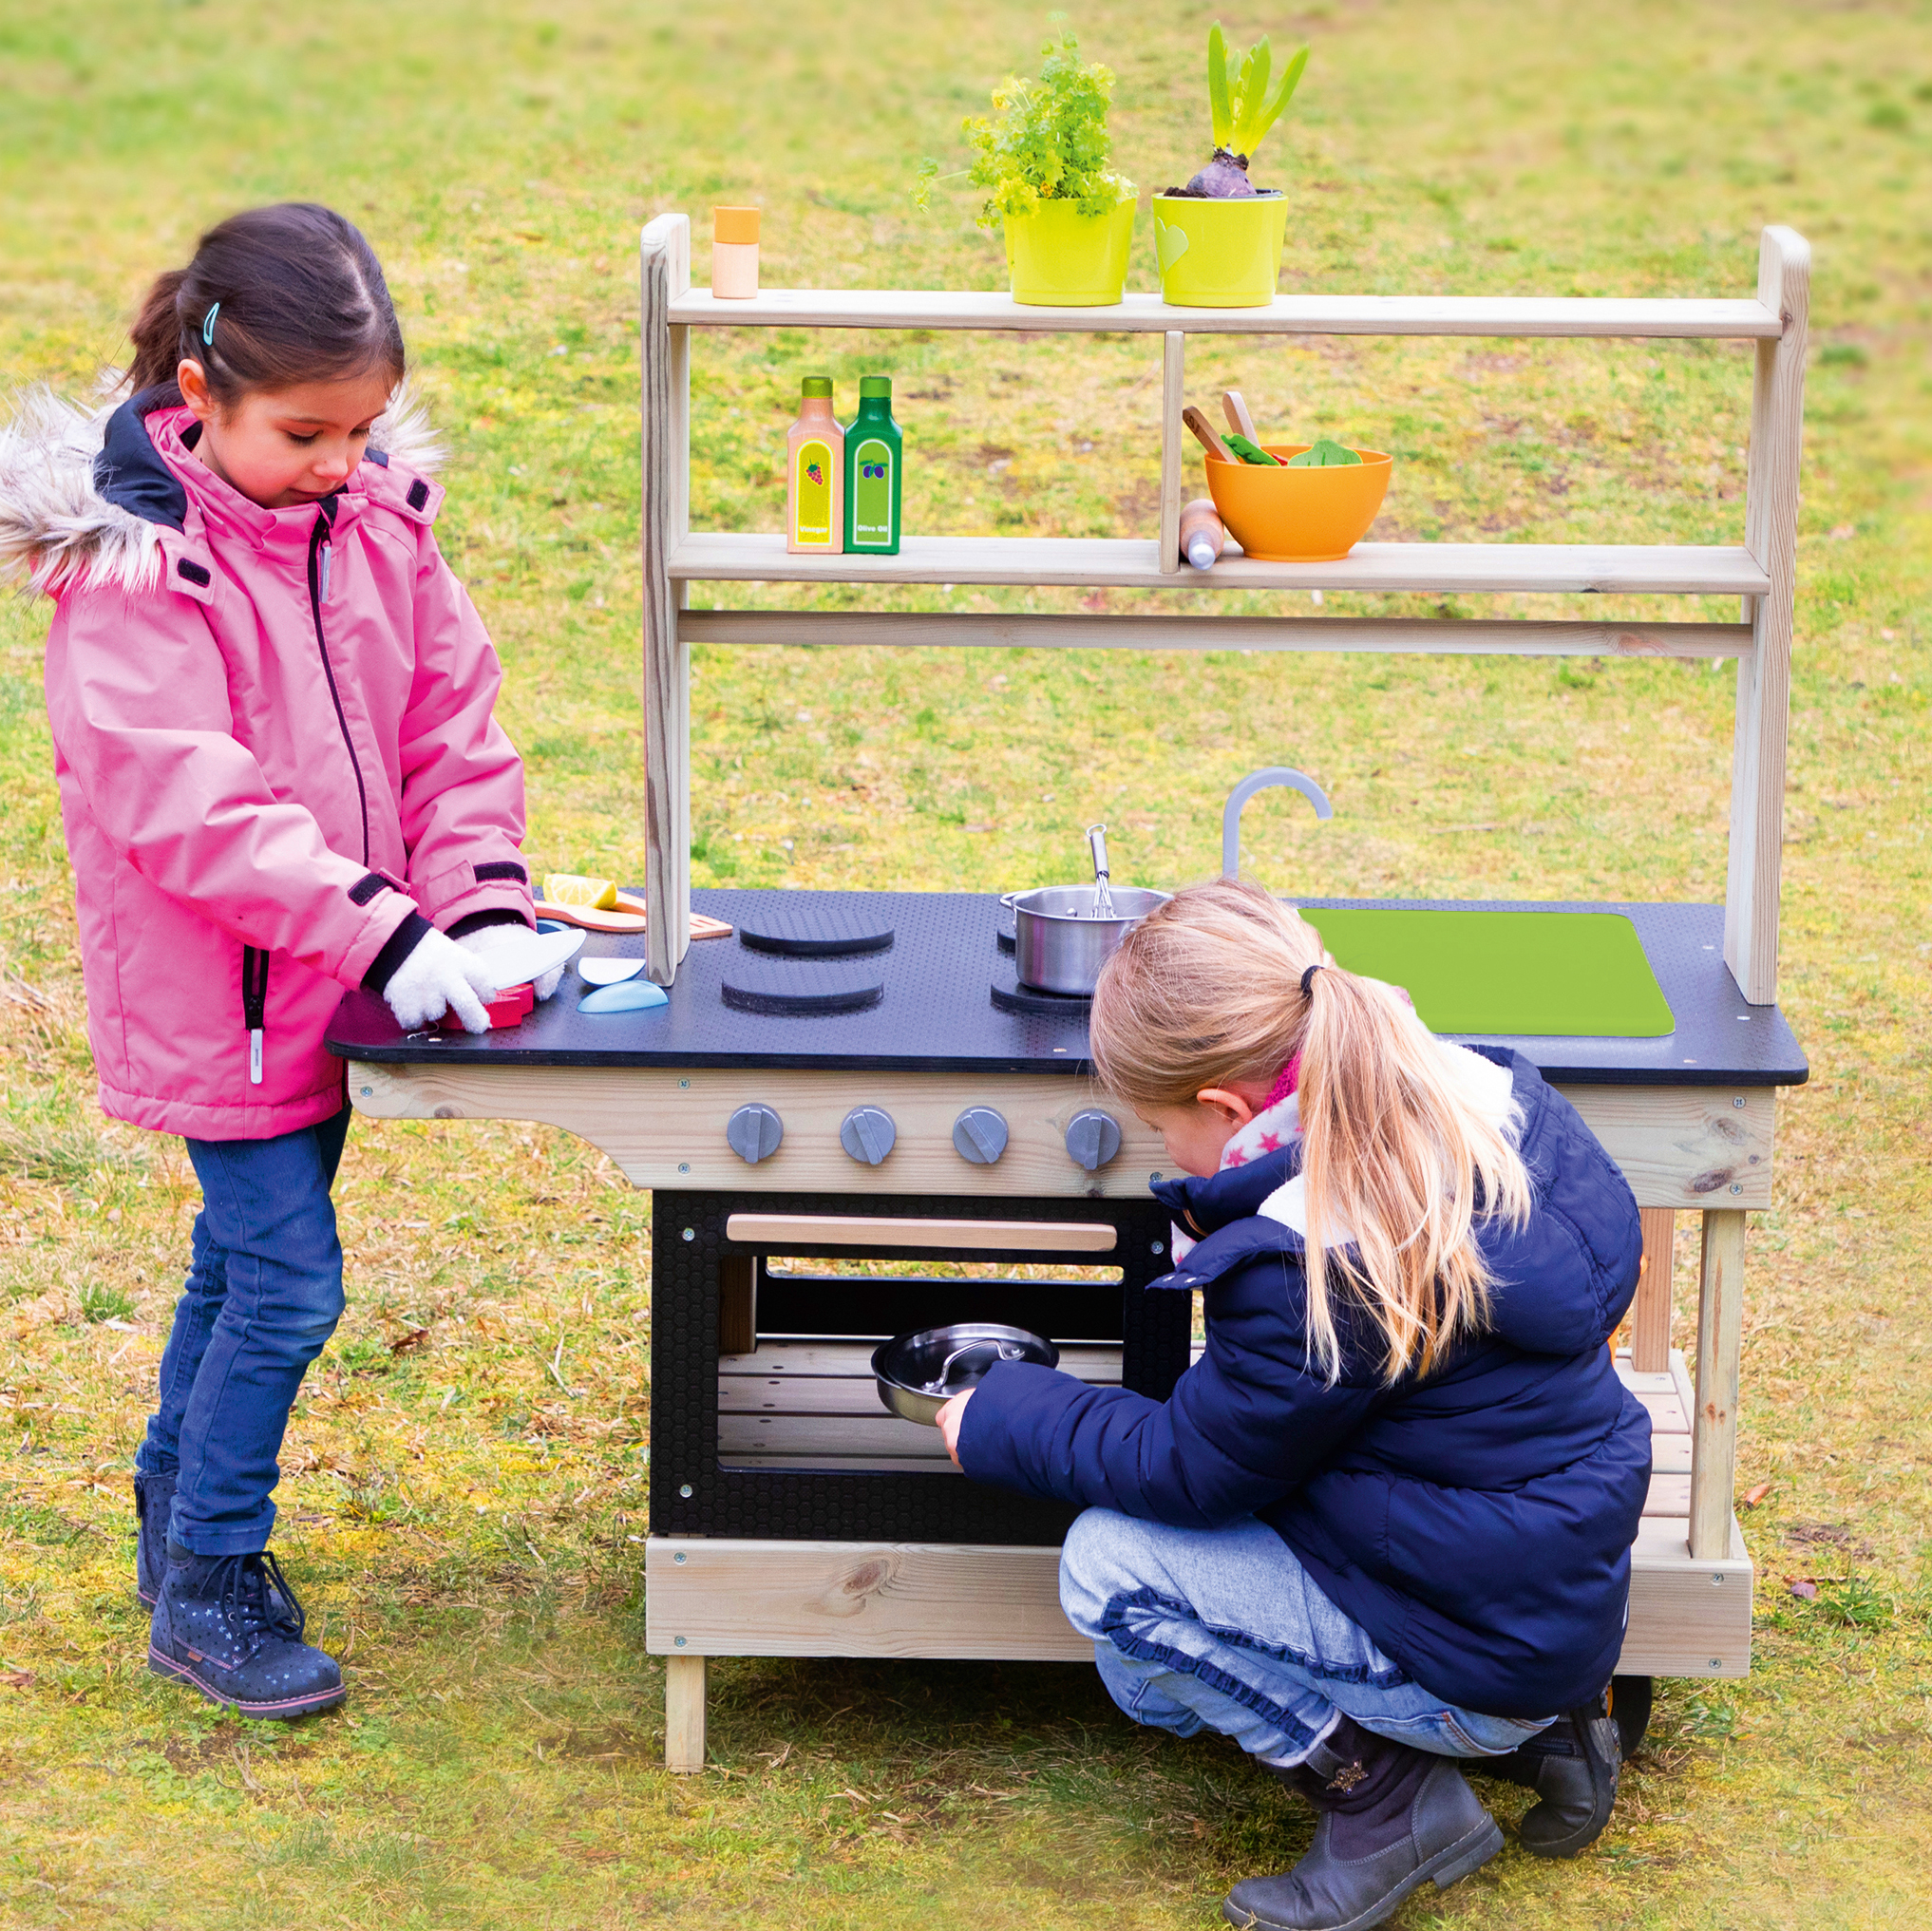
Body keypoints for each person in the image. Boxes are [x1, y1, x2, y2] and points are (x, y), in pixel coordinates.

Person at [1, 203, 562, 1720]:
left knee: (240, 1262)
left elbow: (452, 726)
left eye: (362, 427)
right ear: (202, 394)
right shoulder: (137, 573)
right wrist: (390, 927)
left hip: (335, 981)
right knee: (287, 1287)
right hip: (227, 1005)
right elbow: (189, 806)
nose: (340, 460)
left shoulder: (370, 521)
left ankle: (172, 1514)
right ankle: (209, 1582)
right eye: (308, 432)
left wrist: (485, 902)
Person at [938, 880, 1650, 1931]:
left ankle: (1387, 1801)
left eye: (1158, 1124)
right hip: (1542, 1596)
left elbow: (1195, 1469)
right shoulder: (1478, 1095)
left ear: (1227, 1108)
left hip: (1476, 1636)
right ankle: (1546, 1727)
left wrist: (1001, 1413)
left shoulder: (1313, 1245)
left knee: (1115, 1591)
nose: (1160, 1149)